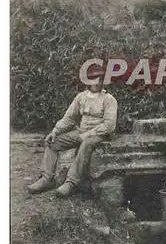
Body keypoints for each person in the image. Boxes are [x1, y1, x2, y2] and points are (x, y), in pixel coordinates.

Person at [27, 66, 117, 198]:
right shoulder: (81, 97)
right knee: (53, 142)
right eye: (93, 78)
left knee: (86, 143)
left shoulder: (109, 99)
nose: (97, 82)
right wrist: (55, 131)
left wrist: (86, 135)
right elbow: (69, 117)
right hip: (81, 132)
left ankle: (71, 183)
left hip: (99, 135)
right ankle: (46, 179)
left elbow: (109, 125)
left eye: (100, 78)